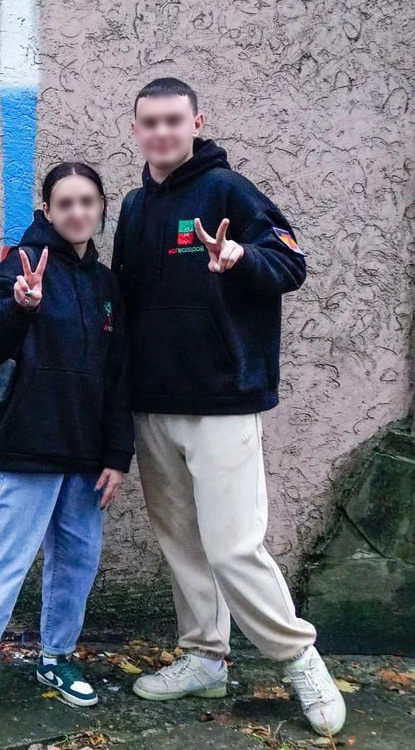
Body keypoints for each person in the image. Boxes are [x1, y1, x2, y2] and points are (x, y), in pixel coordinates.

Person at [111, 77, 345, 737]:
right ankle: (204, 657)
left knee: (234, 547)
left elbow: (290, 262)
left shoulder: (229, 192)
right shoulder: (134, 206)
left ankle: (300, 660)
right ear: (137, 130)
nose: (162, 132)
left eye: (173, 120)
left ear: (196, 122)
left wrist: (241, 256)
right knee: (182, 543)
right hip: (154, 405)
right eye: (150, 122)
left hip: (223, 401)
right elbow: (125, 302)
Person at [0, 162, 134, 731]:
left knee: (76, 564)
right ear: (47, 211)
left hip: (87, 458)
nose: (77, 212)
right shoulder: (18, 267)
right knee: (1, 564)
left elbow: (119, 377)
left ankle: (56, 658)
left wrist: (118, 456)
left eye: (87, 202)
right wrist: (22, 307)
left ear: (100, 209)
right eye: (65, 203)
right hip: (27, 447)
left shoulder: (106, 285)